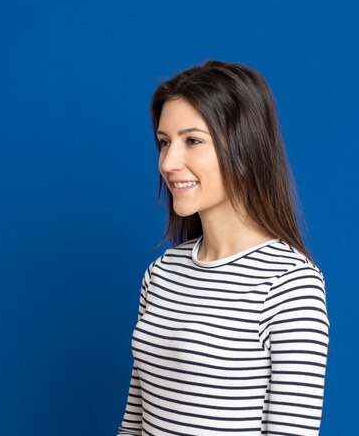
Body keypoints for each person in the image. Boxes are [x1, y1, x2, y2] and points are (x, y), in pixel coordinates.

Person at [116, 60, 330, 436]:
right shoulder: (161, 274)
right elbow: (134, 421)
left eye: (193, 141)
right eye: (164, 142)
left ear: (246, 153)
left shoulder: (289, 285)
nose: (168, 162)